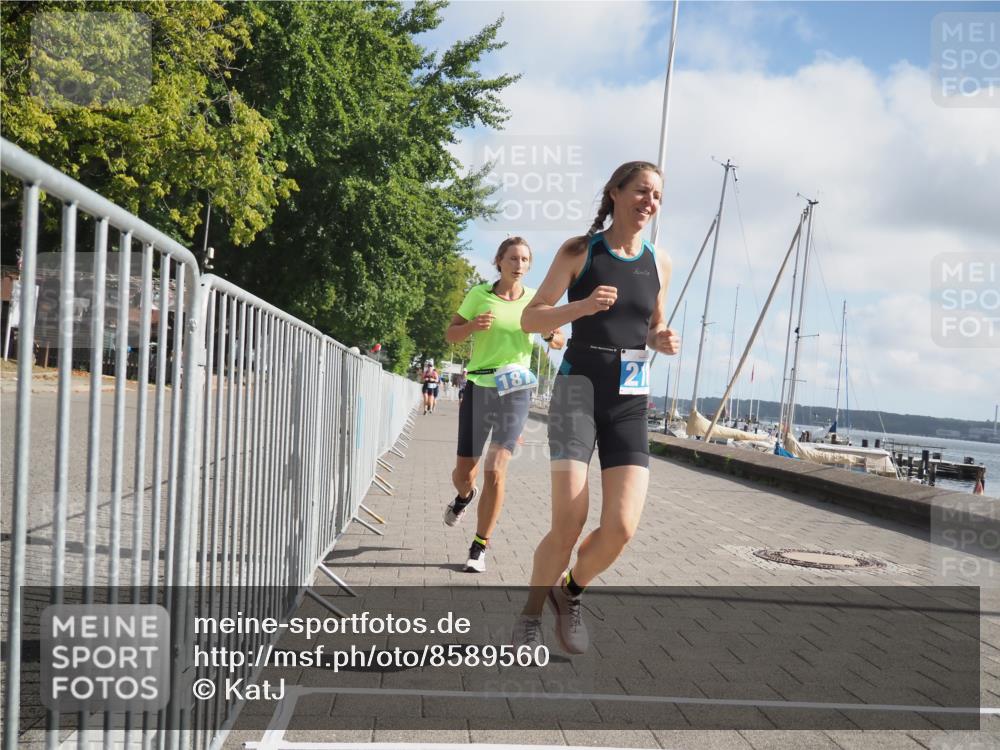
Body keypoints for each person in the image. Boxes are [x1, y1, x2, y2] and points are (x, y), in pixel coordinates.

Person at [514, 161, 680, 654]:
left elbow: (651, 326)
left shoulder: (660, 261)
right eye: (641, 191)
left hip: (629, 399)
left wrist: (662, 339)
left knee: (621, 527)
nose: (649, 202)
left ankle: (570, 593)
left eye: (657, 196)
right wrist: (580, 308)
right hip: (577, 395)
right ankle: (530, 615)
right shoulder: (579, 251)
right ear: (616, 193)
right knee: (568, 522)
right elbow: (530, 317)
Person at [443, 237, 564, 573]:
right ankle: (465, 497)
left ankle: (479, 546)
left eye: (525, 259)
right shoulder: (478, 295)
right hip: (480, 385)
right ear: (499, 261)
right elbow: (450, 335)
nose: (519, 265)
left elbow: (558, 337)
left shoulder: (536, 300)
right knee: (463, 473)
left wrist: (551, 337)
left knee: (496, 468)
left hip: (517, 387)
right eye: (513, 258)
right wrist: (470, 326)